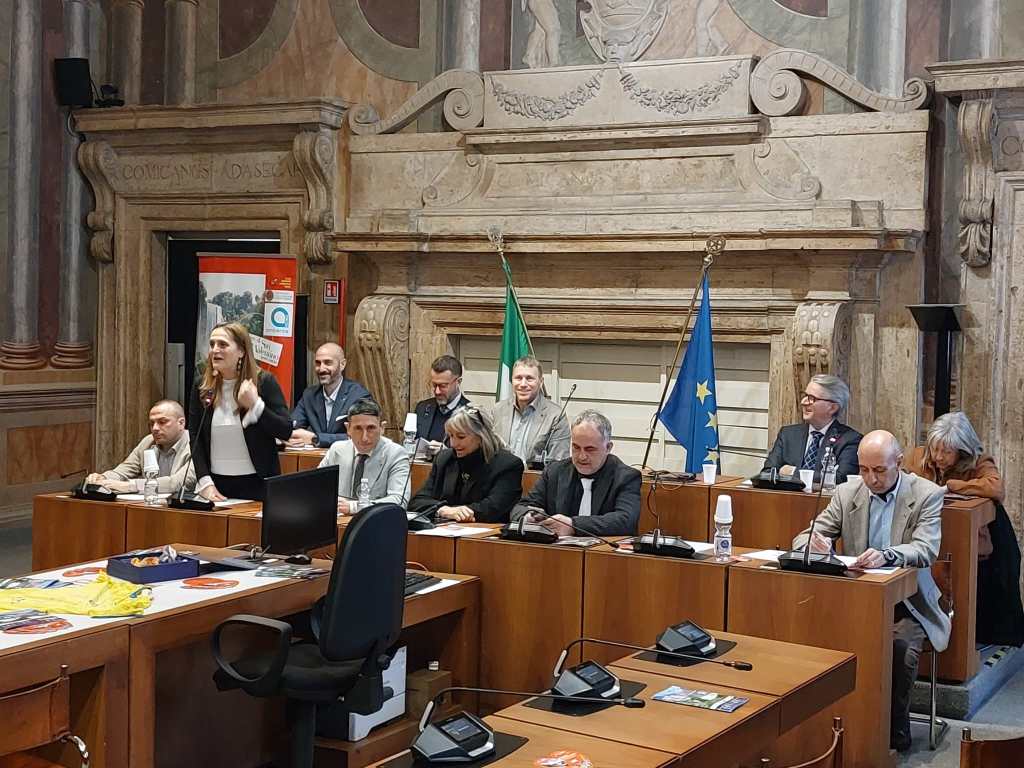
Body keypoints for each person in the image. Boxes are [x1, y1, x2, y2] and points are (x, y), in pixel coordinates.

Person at [792, 430, 950, 752]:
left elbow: (925, 549)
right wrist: (813, 543)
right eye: (864, 470)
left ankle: (892, 731)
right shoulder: (848, 492)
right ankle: (835, 725)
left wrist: (887, 555)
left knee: (899, 650)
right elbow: (804, 537)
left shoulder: (926, 494)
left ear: (899, 463)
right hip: (855, 600)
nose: (871, 479)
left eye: (879, 470)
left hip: (907, 603)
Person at [904, 411, 1024, 647]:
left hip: (974, 537)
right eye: (935, 449)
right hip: (927, 537)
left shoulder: (979, 462)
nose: (938, 457)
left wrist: (954, 486)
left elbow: (995, 488)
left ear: (962, 450)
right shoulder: (918, 457)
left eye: (947, 452)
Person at [190, 322, 293, 501]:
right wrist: (204, 481)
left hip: (258, 484)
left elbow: (285, 430)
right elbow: (195, 437)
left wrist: (256, 406)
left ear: (241, 351)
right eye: (212, 344)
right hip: (216, 486)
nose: (215, 350)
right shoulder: (203, 386)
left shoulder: (263, 382)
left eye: (223, 344)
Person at [511, 410, 641, 536]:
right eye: (576, 447)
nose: (581, 456)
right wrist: (528, 516)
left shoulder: (625, 477)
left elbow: (626, 520)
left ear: (608, 447)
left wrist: (573, 525)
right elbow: (520, 508)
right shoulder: (554, 472)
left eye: (590, 449)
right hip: (556, 548)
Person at [407, 406, 523, 524]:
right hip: (444, 529)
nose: (453, 444)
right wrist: (443, 510)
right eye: (451, 436)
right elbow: (417, 501)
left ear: (481, 436)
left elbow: (494, 508)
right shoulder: (444, 459)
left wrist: (459, 512)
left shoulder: (508, 465)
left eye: (461, 437)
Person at [763, 374, 862, 483]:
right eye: (805, 396)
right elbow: (767, 473)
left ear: (832, 408)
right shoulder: (788, 435)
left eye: (811, 398)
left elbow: (841, 479)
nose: (803, 402)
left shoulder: (850, 440)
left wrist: (793, 472)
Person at [319, 399, 411, 515]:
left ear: (382, 428)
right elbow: (316, 488)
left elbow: (399, 501)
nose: (364, 438)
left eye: (371, 428)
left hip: (375, 521)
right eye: (358, 428)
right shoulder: (337, 450)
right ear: (348, 428)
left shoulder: (396, 454)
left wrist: (354, 507)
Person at [86, 400, 194, 494]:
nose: (155, 428)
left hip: (184, 508)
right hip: (149, 504)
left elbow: (177, 483)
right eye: (151, 423)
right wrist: (102, 478)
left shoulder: (196, 446)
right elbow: (123, 471)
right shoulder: (148, 441)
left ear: (181, 423)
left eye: (162, 422)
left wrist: (130, 486)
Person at [490, 356, 570, 466]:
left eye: (529, 378)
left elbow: (559, 463)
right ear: (512, 380)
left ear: (541, 382)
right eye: (518, 378)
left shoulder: (556, 416)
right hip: (501, 475)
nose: (523, 384)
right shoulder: (498, 410)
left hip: (538, 477)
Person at [289, 343, 371, 447]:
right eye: (318, 363)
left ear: (342, 364)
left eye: (327, 363)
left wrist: (316, 439)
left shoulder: (358, 395)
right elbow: (293, 426)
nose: (321, 369)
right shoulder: (309, 395)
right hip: (314, 456)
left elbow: (363, 435)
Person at [414, 355, 470, 444]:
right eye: (434, 385)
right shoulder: (422, 408)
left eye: (443, 386)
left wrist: (445, 451)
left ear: (458, 382)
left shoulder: (470, 414)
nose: (437, 391)